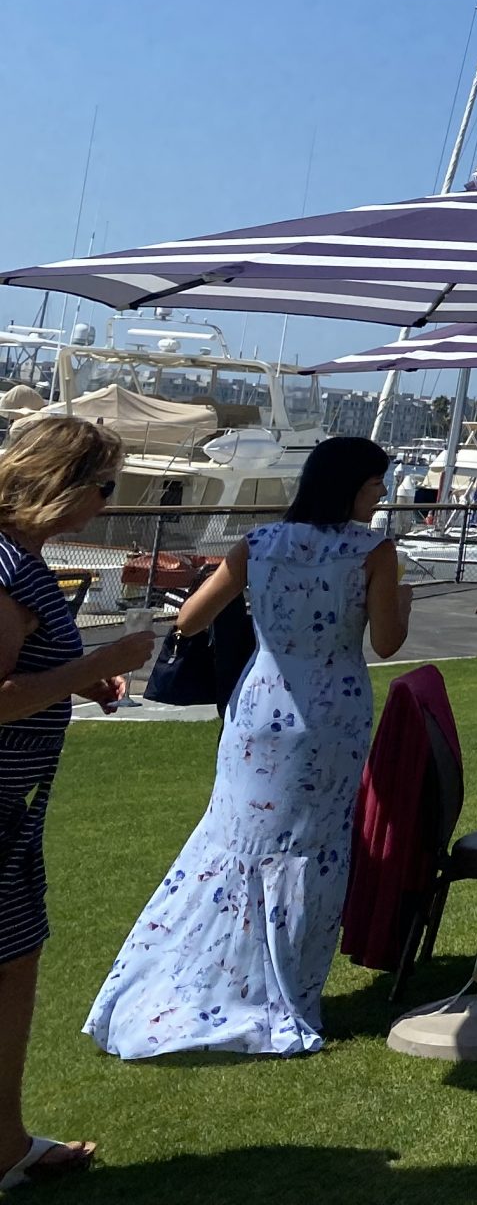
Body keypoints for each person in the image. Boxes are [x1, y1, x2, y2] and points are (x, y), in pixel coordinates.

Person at [84, 436, 412, 1059]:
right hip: (330, 712)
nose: (379, 498)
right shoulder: (372, 548)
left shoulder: (259, 543)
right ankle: (283, 990)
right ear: (350, 487)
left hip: (259, 707)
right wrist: (403, 601)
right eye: (375, 486)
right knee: (306, 851)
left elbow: (190, 619)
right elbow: (390, 642)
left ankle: (199, 981)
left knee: (231, 846)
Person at [0, 420, 156, 1185]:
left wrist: (82, 679)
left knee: (14, 961)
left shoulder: (22, 559)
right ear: (64, 482)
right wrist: (104, 660)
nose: (105, 503)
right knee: (8, 964)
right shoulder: (4, 563)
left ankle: (5, 1144)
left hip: (14, 806)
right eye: (105, 487)